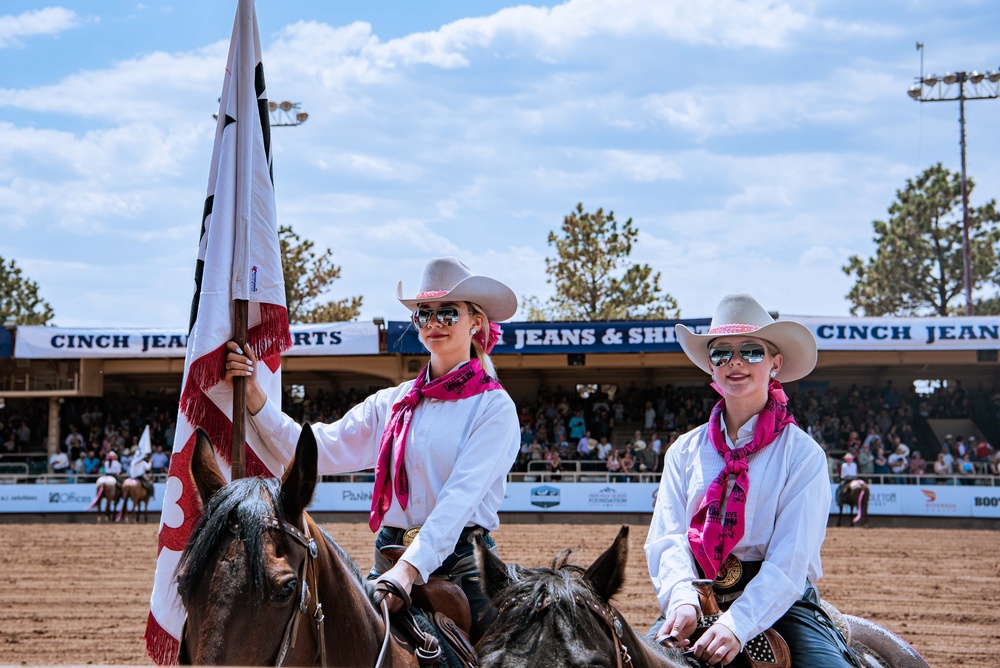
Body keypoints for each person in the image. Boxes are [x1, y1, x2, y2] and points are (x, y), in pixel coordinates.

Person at [224, 257, 520, 641]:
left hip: (463, 564)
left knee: (504, 655)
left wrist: (409, 570)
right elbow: (319, 450)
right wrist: (255, 398)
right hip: (389, 558)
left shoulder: (494, 408)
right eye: (423, 314)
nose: (433, 323)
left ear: (475, 322)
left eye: (447, 314)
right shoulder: (391, 403)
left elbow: (458, 501)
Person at [645, 293, 857, 667]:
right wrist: (680, 597)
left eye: (751, 351)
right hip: (698, 594)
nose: (735, 362)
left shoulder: (803, 455)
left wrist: (738, 624)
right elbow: (669, 536)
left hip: (782, 605)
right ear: (711, 368)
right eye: (721, 353)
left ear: (775, 363)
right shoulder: (683, 450)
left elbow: (791, 560)